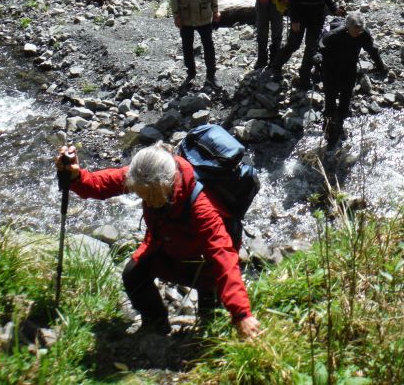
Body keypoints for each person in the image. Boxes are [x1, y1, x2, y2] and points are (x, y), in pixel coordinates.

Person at [55, 143, 262, 339]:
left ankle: (206, 342)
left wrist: (242, 314)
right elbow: (103, 184)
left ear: (167, 184)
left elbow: (223, 256)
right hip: (164, 247)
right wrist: (76, 177)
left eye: (152, 196)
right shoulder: (144, 173)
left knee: (210, 315)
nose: (149, 202)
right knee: (133, 275)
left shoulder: (202, 207)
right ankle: (156, 326)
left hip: (203, 265)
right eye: (142, 195)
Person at [318, 13, 387, 145]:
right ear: (347, 27)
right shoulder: (334, 35)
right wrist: (317, 59)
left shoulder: (363, 34)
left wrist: (380, 66)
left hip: (349, 67)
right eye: (355, 31)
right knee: (330, 98)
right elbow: (319, 46)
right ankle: (328, 125)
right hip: (330, 68)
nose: (358, 33)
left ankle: (340, 123)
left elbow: (372, 50)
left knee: (346, 95)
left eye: (360, 30)